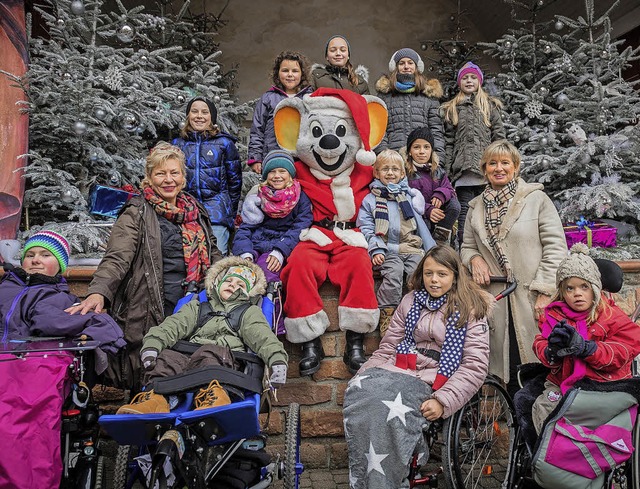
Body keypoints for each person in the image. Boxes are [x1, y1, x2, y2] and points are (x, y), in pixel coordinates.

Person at [67, 142, 221, 390]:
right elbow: (117, 256)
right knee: (152, 372)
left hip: (194, 303)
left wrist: (230, 274)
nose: (168, 180)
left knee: (190, 371)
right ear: (149, 178)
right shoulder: (137, 211)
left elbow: (212, 250)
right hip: (152, 305)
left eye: (174, 172)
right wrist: (99, 292)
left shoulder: (195, 209)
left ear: (183, 176)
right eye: (161, 174)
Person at [343, 246, 492, 489]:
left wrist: (443, 401)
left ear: (455, 275)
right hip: (400, 367)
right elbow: (389, 346)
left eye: (442, 274)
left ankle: (389, 477)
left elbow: (474, 366)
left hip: (437, 377)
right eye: (428, 273)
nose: (434, 280)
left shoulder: (471, 308)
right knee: (361, 393)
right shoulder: (410, 301)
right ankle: (367, 478)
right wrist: (363, 375)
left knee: (388, 406)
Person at [460, 140, 567, 396]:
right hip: (496, 301)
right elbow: (466, 247)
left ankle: (538, 431)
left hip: (531, 299)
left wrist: (544, 290)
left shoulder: (537, 200)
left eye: (505, 163)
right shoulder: (475, 208)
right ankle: (513, 430)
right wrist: (474, 259)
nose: (499, 168)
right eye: (492, 163)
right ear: (484, 169)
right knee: (506, 375)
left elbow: (555, 246)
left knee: (539, 370)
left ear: (515, 167)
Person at [116, 257, 288, 414]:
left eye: (240, 285)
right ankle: (156, 400)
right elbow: (172, 326)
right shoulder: (198, 307)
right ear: (217, 284)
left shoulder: (249, 313)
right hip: (188, 360)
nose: (232, 285)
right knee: (167, 358)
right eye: (228, 280)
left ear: (250, 293)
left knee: (210, 353)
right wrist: (153, 344)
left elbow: (263, 337)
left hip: (222, 363)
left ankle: (214, 397)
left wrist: (277, 359)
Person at [529, 243, 640, 434]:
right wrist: (551, 351)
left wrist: (589, 349)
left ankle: (586, 450)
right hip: (562, 380)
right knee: (543, 408)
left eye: (584, 287)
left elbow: (623, 350)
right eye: (570, 289)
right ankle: (550, 453)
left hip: (603, 383)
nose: (577, 293)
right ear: (562, 293)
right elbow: (541, 343)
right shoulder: (554, 316)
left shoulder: (611, 316)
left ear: (595, 289)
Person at [0, 230, 125, 371]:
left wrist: (104, 329)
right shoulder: (5, 287)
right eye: (30, 255)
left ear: (60, 265)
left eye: (45, 255)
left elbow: (55, 322)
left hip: (30, 368)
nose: (35, 260)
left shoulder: (60, 298)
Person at [357, 149, 436, 336]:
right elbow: (366, 227)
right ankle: (388, 314)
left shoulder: (408, 197)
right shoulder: (371, 200)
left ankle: (416, 314)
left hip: (412, 247)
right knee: (394, 274)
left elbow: (420, 226)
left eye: (395, 169)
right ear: (376, 172)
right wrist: (376, 249)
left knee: (416, 276)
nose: (390, 173)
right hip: (387, 249)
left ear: (402, 173)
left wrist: (430, 250)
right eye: (385, 169)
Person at [441, 62, 505, 245]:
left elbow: (499, 138)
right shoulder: (453, 108)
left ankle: (487, 250)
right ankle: (465, 249)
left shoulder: (489, 106)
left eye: (473, 77)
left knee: (487, 214)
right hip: (463, 175)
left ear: (479, 81)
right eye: (465, 78)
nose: (469, 81)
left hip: (485, 175)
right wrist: (448, 170)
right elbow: (449, 142)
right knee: (464, 215)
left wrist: (497, 165)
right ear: (459, 82)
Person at [172, 97, 242, 255]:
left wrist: (228, 212)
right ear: (188, 116)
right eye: (194, 111)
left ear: (212, 117)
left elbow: (235, 182)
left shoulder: (224, 144)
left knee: (216, 257)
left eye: (204, 112)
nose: (199, 116)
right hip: (186, 210)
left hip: (216, 212)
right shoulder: (178, 144)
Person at [233, 150, 313, 284]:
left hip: (279, 246)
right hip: (255, 245)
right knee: (239, 275)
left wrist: (281, 251)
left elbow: (300, 227)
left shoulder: (300, 198)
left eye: (282, 171)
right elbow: (245, 228)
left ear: (290, 174)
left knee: (266, 275)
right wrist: (245, 252)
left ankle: (268, 304)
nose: (277, 176)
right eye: (272, 171)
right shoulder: (258, 196)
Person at [247, 51, 313, 175]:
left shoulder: (309, 98)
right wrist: (256, 158)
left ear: (302, 74)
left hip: (302, 160)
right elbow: (257, 130)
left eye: (295, 71)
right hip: (274, 157)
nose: (290, 75)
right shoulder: (268, 98)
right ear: (277, 73)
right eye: (285, 70)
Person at [375, 48, 445, 159]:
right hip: (393, 160)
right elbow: (379, 131)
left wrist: (438, 160)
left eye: (410, 63)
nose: (406, 66)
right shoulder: (385, 96)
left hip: (422, 160)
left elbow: (436, 131)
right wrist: (385, 156)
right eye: (402, 63)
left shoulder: (429, 96)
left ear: (417, 67)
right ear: (395, 67)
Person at [405, 126, 460, 244]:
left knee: (454, 205)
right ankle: (426, 244)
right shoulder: (406, 173)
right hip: (419, 216)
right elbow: (406, 197)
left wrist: (440, 194)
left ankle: (440, 238)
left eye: (426, 147)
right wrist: (428, 209)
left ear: (431, 150)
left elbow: (449, 188)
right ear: (409, 151)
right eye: (416, 147)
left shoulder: (437, 171)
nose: (421, 151)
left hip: (438, 217)